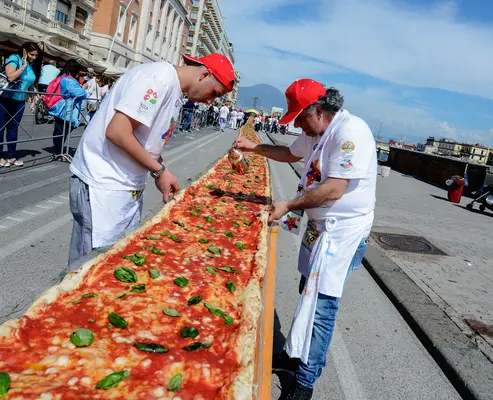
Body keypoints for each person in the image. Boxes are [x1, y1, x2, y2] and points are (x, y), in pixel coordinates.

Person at [234, 79, 376, 400]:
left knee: (323, 304)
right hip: (318, 225)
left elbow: (334, 189)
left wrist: (288, 205)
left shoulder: (349, 132)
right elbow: (288, 152)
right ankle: (294, 353)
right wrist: (252, 147)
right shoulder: (315, 131)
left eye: (300, 116)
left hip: (342, 231)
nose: (296, 123)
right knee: (305, 289)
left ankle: (305, 382)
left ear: (318, 110)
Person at [67, 53, 235, 266]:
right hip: (103, 184)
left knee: (117, 262)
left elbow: (146, 140)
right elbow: (118, 131)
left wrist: (161, 167)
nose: (211, 101)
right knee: (90, 267)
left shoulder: (173, 88)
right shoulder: (158, 78)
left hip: (125, 186)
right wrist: (159, 171)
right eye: (214, 92)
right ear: (205, 75)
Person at [0, 42, 42, 167]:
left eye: (36, 55)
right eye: (31, 54)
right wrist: (24, 65)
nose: (33, 58)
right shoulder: (15, 58)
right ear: (24, 51)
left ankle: (12, 155)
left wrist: (32, 98)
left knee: (13, 128)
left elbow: (29, 83)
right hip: (4, 98)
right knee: (0, 126)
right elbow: (10, 77)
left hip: (19, 100)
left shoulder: (32, 65)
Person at [46, 59, 87, 159]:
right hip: (65, 109)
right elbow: (79, 93)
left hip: (62, 108)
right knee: (61, 130)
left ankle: (58, 151)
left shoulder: (64, 77)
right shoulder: (68, 80)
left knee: (61, 130)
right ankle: (58, 152)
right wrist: (84, 88)